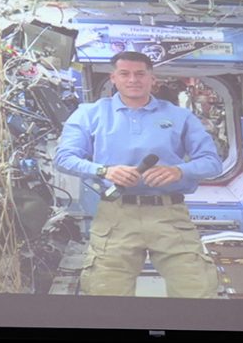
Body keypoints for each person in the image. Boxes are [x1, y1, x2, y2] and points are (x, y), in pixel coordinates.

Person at [54, 51, 222, 298]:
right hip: (115, 217)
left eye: (140, 73)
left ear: (152, 78)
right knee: (106, 300)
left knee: (197, 293)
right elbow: (63, 158)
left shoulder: (179, 116)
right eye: (125, 73)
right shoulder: (89, 114)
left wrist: (178, 171)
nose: (133, 79)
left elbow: (212, 163)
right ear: (113, 77)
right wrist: (104, 170)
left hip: (169, 216)